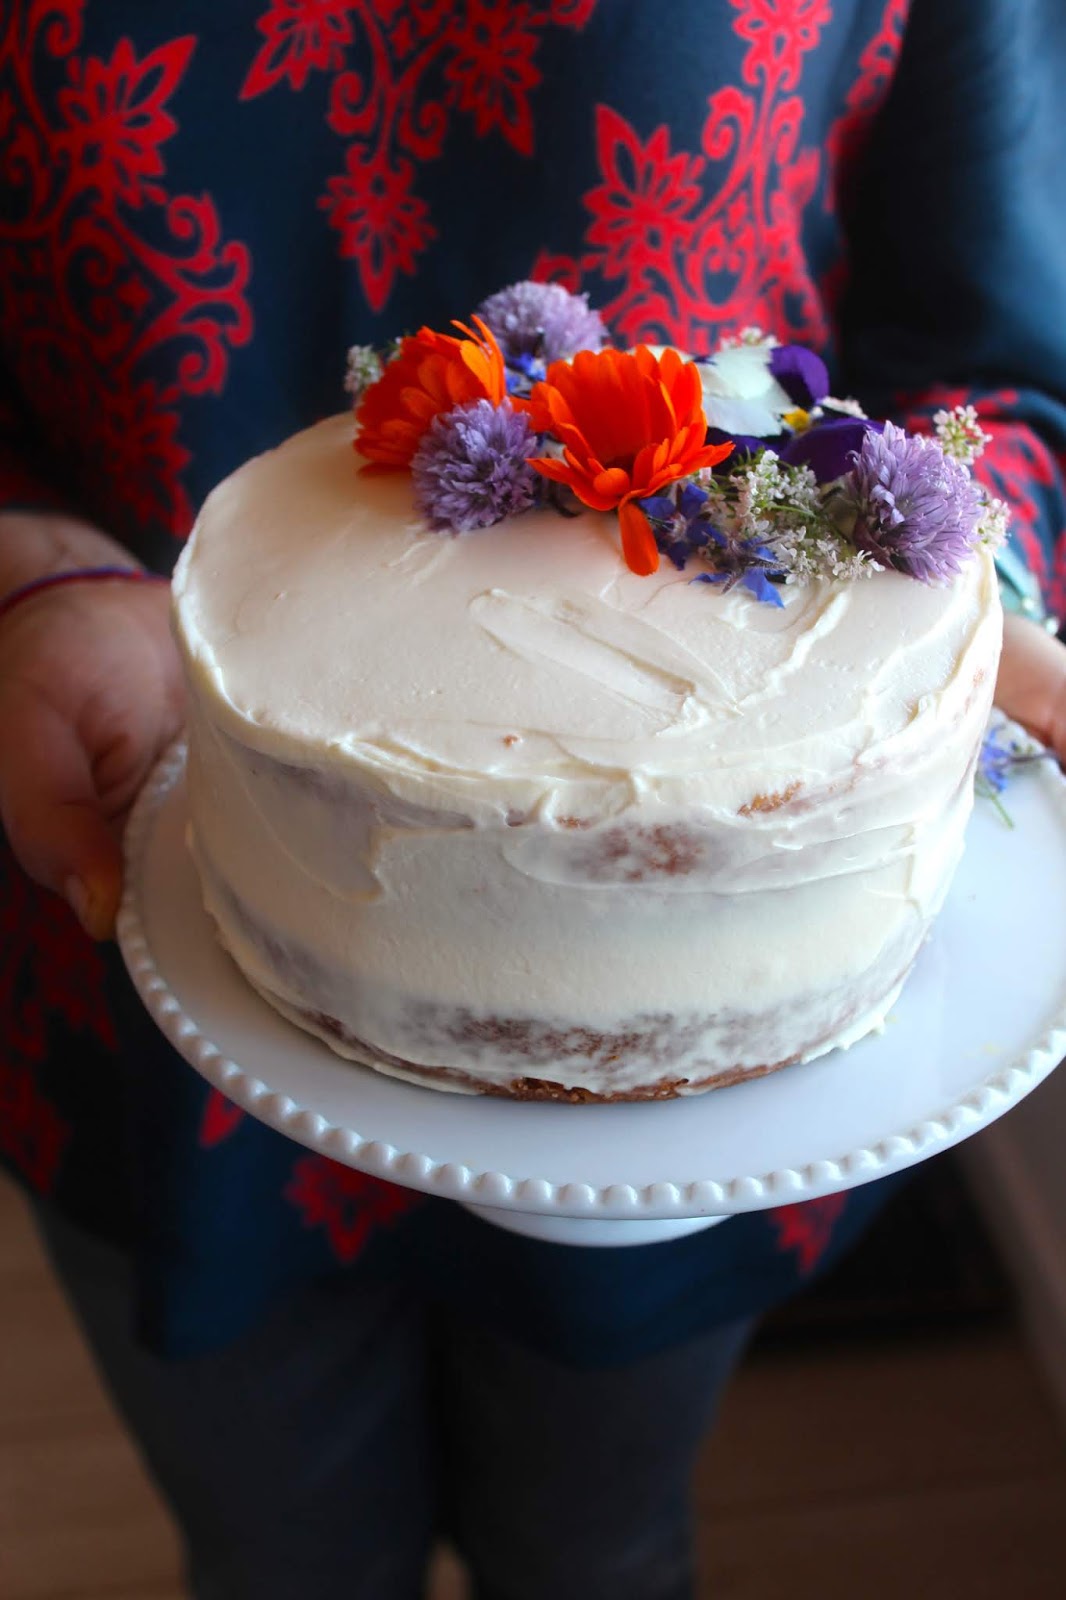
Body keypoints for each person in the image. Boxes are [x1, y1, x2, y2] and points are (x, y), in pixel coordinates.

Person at [2, 2, 1065, 1596]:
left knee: (599, 1550)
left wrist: (958, 608)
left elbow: (1000, 353)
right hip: (131, 875)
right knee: (276, 1562)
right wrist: (24, 571)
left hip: (734, 943)